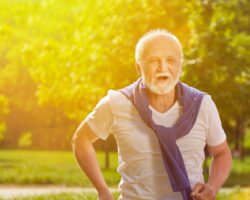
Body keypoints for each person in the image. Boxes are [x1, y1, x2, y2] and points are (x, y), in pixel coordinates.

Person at [72, 29, 232, 200]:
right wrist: (103, 191)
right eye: (153, 61)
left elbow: (222, 152)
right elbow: (81, 139)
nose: (162, 68)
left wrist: (212, 187)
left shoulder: (201, 105)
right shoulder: (117, 103)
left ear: (180, 66)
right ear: (138, 67)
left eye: (170, 60)